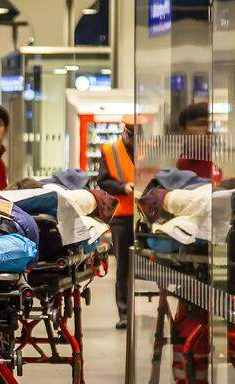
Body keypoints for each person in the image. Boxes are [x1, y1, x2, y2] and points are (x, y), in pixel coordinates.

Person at [98, 115, 135, 329]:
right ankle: (124, 313)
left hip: (145, 214)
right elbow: (103, 180)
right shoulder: (110, 151)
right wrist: (122, 187)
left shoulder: (148, 150)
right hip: (121, 216)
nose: (134, 139)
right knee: (122, 267)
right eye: (131, 134)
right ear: (124, 131)